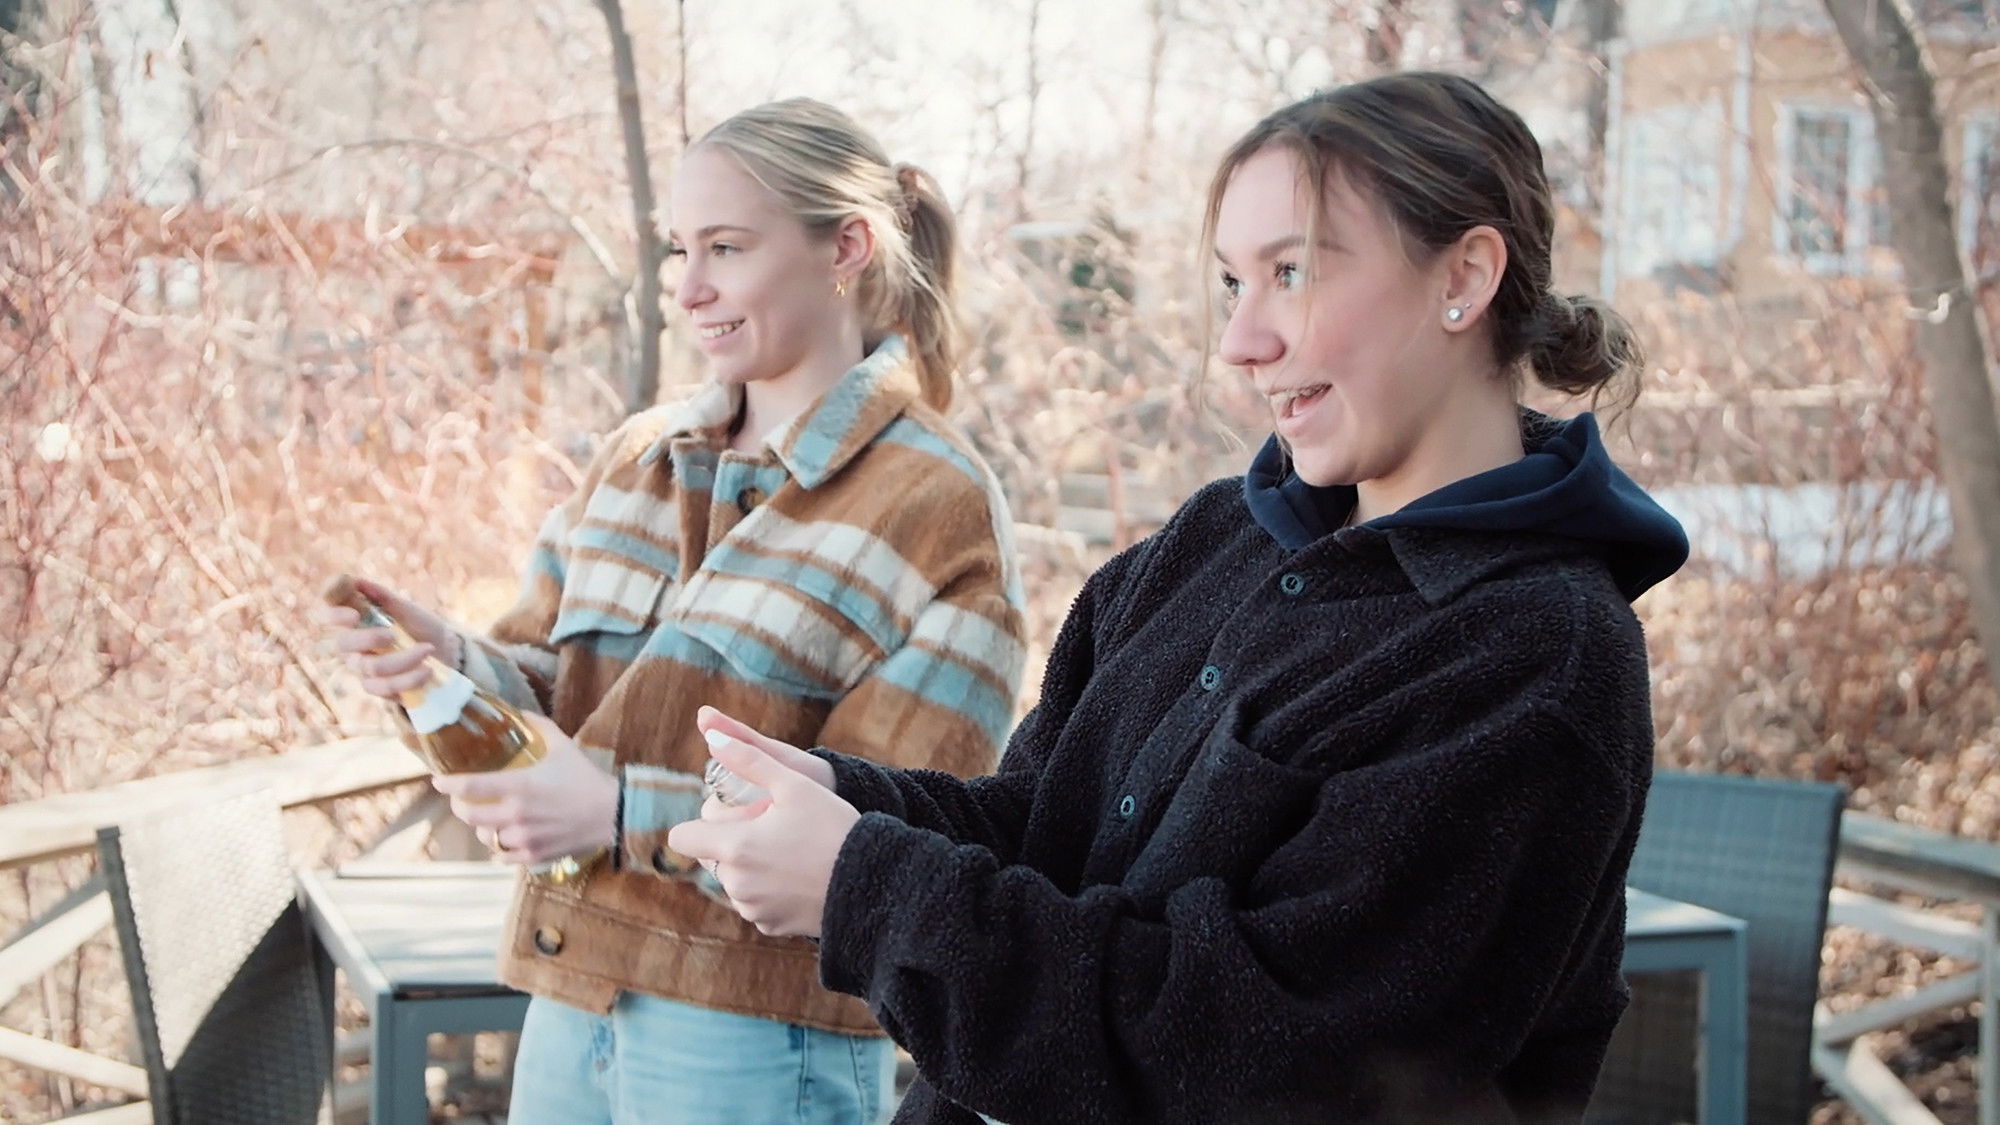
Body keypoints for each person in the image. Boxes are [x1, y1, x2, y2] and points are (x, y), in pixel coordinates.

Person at [669, 72, 1692, 1125]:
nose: (1241, 341)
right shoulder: (1215, 538)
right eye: (1232, 284)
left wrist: (868, 888)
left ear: (1465, 277)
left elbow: (1271, 1057)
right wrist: (850, 805)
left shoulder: (1534, 651)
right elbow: (1039, 824)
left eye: (1291, 273)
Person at [318, 98, 1027, 1125]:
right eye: (678, 250)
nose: (687, 288)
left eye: (726, 249)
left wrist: (615, 814)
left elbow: (892, 826)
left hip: (759, 1034)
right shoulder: (635, 459)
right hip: (570, 996)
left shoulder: (936, 504)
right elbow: (550, 693)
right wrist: (447, 670)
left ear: (846, 248)